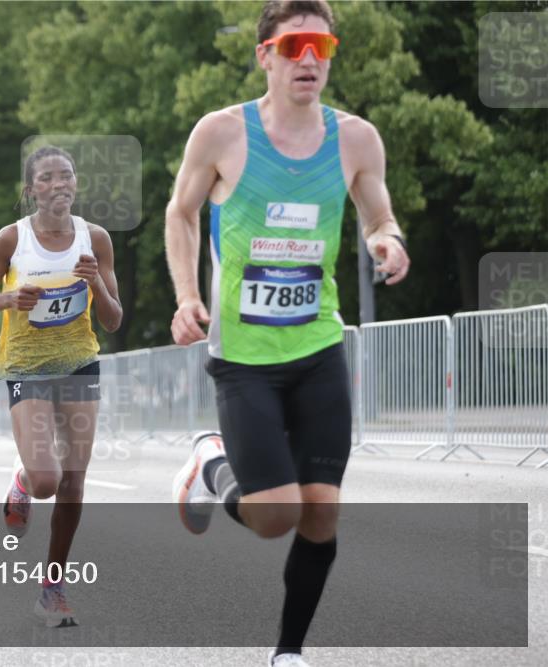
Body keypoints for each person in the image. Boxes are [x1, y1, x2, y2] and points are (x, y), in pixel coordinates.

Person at [164, 2, 410, 665]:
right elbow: (182, 213)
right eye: (294, 44)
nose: (309, 58)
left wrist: (387, 242)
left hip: (317, 347)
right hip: (244, 358)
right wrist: (187, 297)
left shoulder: (356, 140)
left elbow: (378, 216)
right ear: (265, 56)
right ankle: (210, 467)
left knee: (321, 511)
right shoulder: (221, 133)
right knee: (275, 517)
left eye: (320, 46)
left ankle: (289, 652)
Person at [0, 145, 123, 628]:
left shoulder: (95, 239)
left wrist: (96, 285)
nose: (59, 184)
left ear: (76, 183)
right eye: (48, 178)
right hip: (26, 368)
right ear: (31, 189)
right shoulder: (12, 239)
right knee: (47, 481)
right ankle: (23, 482)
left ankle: (52, 588)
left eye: (66, 175)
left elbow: (113, 320)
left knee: (73, 481)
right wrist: (9, 299)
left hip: (79, 365)